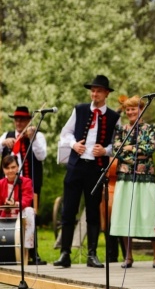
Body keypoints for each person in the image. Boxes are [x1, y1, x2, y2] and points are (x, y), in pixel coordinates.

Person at [54, 75, 120, 268]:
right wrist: (74, 144)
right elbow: (65, 133)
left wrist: (106, 150)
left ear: (106, 93)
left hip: (96, 168)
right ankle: (65, 253)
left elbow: (117, 143)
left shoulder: (114, 117)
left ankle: (92, 254)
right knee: (68, 210)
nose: (94, 94)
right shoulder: (80, 110)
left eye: (98, 90)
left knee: (93, 211)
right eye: (92, 90)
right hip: (76, 166)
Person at [110, 95, 155, 269]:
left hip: (145, 177)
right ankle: (128, 256)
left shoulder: (149, 128)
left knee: (149, 213)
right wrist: (137, 153)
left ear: (141, 109)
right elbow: (117, 149)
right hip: (125, 176)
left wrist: (130, 148)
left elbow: (151, 148)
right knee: (125, 214)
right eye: (128, 109)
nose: (131, 112)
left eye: (134, 108)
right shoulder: (121, 130)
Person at [0, 106, 47, 265]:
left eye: (22, 120)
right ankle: (8, 248)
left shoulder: (37, 135)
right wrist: (3, 144)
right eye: (16, 119)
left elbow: (41, 155)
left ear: (28, 121)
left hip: (29, 184)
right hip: (9, 183)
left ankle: (32, 252)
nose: (19, 122)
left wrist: (32, 138)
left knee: (31, 214)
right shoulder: (7, 136)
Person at [0, 155, 35, 251]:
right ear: (3, 169)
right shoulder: (0, 184)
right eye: (7, 168)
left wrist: (15, 204)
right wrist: (5, 205)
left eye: (13, 167)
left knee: (29, 210)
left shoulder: (26, 181)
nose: (10, 171)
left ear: (18, 167)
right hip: (4, 216)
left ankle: (28, 249)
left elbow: (27, 199)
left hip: (20, 215)